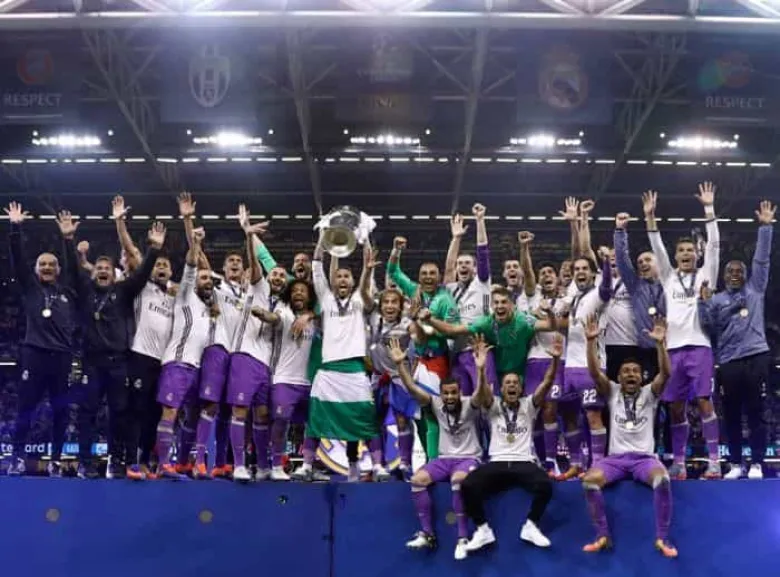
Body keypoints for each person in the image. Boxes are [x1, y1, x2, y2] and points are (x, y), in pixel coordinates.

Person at [74, 221, 166, 479]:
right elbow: (72, 269)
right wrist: (70, 242)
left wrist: (154, 250)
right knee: (87, 413)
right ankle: (85, 462)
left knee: (119, 414)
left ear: (114, 275)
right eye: (99, 268)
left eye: (107, 268)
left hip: (119, 363)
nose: (103, 271)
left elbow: (142, 273)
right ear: (92, 273)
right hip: (92, 362)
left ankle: (116, 461)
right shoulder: (85, 292)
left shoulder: (124, 291)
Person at [580, 313, 676, 558]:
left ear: (641, 377)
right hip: (615, 460)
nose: (631, 374)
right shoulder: (612, 392)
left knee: (662, 480)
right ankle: (602, 535)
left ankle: (662, 538)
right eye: (626, 371)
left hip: (644, 459)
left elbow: (665, 374)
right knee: (589, 481)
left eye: (635, 371)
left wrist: (660, 345)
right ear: (619, 377)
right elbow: (594, 373)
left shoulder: (649, 393)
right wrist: (590, 342)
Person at [645, 183, 722, 479]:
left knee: (704, 401)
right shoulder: (668, 277)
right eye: (681, 251)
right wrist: (650, 217)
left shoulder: (706, 274)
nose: (686, 253)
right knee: (676, 407)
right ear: (676, 256)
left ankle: (714, 461)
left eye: (690, 250)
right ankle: (678, 462)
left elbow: (714, 246)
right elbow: (657, 247)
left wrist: (709, 209)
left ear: (696, 255)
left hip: (700, 346)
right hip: (673, 350)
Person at [461, 334, 561, 554]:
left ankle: (531, 525)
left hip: (523, 462)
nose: (512, 385)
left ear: (521, 388)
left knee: (545, 485)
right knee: (467, 486)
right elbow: (483, 392)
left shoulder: (529, 405)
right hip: (497, 462)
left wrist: (555, 361)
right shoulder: (493, 405)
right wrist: (480, 368)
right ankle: (482, 529)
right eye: (507, 383)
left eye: (515, 383)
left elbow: (546, 383)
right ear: (502, 388)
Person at [387, 337, 482, 561]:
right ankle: (427, 534)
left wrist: (480, 369)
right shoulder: (436, 403)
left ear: (460, 392)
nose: (449, 397)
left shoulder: (470, 404)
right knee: (417, 480)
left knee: (458, 480)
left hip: (469, 459)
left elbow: (482, 393)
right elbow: (412, 389)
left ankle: (462, 538)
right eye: (446, 393)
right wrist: (400, 365)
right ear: (441, 393)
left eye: (453, 393)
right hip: (444, 459)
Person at [699, 200, 775, 480]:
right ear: (723, 276)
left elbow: (762, 260)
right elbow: (709, 326)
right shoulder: (717, 299)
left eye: (739, 271)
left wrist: (765, 227)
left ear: (745, 274)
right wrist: (703, 304)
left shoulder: (755, 289)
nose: (735, 274)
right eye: (730, 272)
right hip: (729, 361)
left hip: (756, 356)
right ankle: (734, 463)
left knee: (756, 412)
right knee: (730, 413)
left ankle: (756, 463)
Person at [5, 203, 79, 477]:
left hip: (61, 357)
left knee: (61, 412)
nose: (47, 267)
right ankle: (16, 458)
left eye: (51, 264)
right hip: (34, 354)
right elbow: (17, 258)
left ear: (58, 270)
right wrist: (15, 228)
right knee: (26, 408)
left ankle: (56, 460)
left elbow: (73, 267)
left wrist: (68, 239)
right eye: (42, 264)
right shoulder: (30, 288)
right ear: (36, 270)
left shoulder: (68, 291)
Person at [304, 231, 378, 482]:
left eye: (347, 276)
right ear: (333, 281)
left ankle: (369, 466)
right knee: (316, 418)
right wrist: (322, 239)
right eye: (339, 276)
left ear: (353, 281)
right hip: (328, 369)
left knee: (361, 419)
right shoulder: (325, 299)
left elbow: (367, 282)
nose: (342, 279)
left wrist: (366, 250)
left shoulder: (359, 300)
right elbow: (317, 266)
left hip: (355, 369)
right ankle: (306, 465)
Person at [154, 226, 221, 479]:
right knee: (170, 412)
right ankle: (163, 464)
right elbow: (192, 265)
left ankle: (185, 462)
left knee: (194, 415)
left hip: (197, 368)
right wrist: (195, 242)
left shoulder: (209, 309)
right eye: (203, 279)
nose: (208, 282)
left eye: (210, 279)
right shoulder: (185, 296)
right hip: (177, 363)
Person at [270, 279, 318, 481]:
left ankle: (307, 465)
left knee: (314, 423)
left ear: (309, 296)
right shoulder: (284, 312)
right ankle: (276, 465)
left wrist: (308, 315)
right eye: (295, 290)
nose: (298, 293)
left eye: (303, 291)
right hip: (284, 378)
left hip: (310, 381)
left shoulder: (315, 319)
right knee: (281, 421)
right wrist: (263, 314)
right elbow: (273, 318)